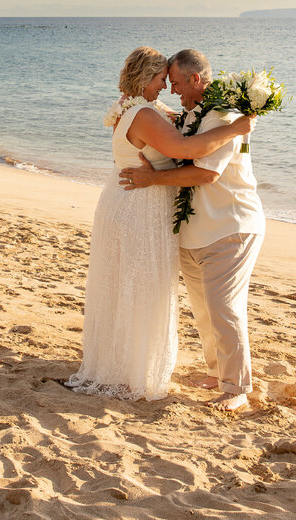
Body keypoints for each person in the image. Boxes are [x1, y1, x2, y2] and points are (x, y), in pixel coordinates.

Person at [67, 46, 253, 401]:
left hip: (130, 203)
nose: (166, 88)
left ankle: (123, 363)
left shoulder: (140, 109)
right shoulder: (144, 114)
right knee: (139, 288)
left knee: (129, 287)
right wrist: (238, 128)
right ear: (145, 79)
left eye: (172, 80)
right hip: (138, 205)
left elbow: (182, 123)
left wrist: (232, 122)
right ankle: (131, 368)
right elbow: (185, 149)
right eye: (161, 79)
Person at [119, 48, 265, 411]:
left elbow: (206, 173)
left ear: (196, 79)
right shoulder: (191, 114)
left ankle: (237, 389)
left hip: (231, 225)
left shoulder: (222, 116)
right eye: (165, 82)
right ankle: (219, 374)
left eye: (178, 83)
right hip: (198, 229)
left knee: (224, 308)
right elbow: (172, 134)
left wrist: (153, 179)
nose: (173, 91)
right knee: (204, 310)